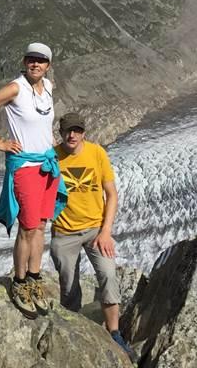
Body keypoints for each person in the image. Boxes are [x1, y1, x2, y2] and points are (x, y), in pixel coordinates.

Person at [0, 42, 67, 319]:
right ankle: (20, 282)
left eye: (41, 60)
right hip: (25, 166)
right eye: (31, 59)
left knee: (40, 225)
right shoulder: (15, 88)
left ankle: (35, 278)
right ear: (25, 62)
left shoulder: (48, 87)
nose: (36, 64)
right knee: (27, 227)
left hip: (47, 165)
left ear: (48, 65)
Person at [50, 112, 136, 362]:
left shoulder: (97, 153)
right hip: (64, 232)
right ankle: (74, 329)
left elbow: (111, 193)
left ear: (84, 132)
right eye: (68, 130)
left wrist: (106, 231)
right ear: (61, 133)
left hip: (95, 230)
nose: (72, 135)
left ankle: (114, 332)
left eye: (77, 130)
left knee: (109, 275)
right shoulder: (52, 156)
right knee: (68, 286)